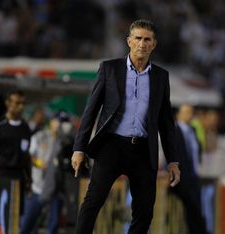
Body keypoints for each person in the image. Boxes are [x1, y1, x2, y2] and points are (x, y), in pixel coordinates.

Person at [71, 19, 180, 234]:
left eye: (147, 39)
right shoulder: (109, 69)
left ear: (154, 44)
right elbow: (90, 110)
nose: (142, 44)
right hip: (111, 145)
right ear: (129, 41)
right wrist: (79, 148)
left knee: (145, 212)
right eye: (138, 38)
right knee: (93, 202)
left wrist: (173, 160)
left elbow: (166, 123)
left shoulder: (161, 77)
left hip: (142, 149)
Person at [20, 110, 72, 234]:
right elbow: (29, 155)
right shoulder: (40, 136)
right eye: (58, 122)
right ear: (52, 122)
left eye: (64, 123)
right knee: (27, 225)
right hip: (38, 187)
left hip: (56, 190)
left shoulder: (67, 142)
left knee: (53, 227)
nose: (60, 125)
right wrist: (38, 163)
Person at [0, 90, 32, 214]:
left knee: (16, 216)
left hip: (19, 177)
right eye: (17, 103)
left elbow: (27, 156)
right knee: (2, 215)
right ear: (8, 103)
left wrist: (29, 180)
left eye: (23, 103)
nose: (20, 106)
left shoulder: (25, 128)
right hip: (2, 175)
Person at [171, 104, 207, 234]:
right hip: (183, 177)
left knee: (196, 208)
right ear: (179, 114)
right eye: (186, 112)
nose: (189, 115)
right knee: (193, 208)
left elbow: (197, 152)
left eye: (191, 112)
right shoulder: (175, 130)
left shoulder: (193, 130)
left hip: (194, 176)